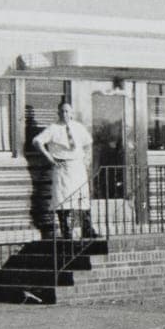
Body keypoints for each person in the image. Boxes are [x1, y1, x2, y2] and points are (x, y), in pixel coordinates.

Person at [32, 101, 98, 239]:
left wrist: (87, 159)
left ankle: (87, 229)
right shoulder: (53, 128)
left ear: (72, 113)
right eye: (62, 111)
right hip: (63, 167)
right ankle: (66, 231)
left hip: (78, 166)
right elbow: (37, 141)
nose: (65, 114)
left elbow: (88, 143)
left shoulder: (78, 127)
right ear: (58, 112)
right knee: (64, 199)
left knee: (82, 198)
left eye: (68, 111)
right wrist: (49, 158)